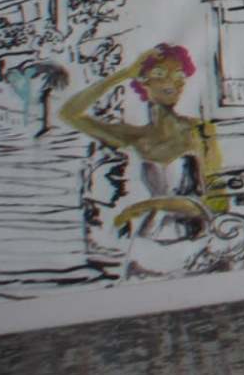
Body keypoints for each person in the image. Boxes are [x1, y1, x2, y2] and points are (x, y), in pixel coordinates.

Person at [55, 41, 223, 241]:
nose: (172, 82)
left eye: (179, 75)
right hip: (149, 235)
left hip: (194, 237)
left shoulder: (202, 131)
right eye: (160, 74)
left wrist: (148, 205)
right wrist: (125, 74)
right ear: (143, 82)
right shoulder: (135, 136)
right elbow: (69, 113)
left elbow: (217, 203)